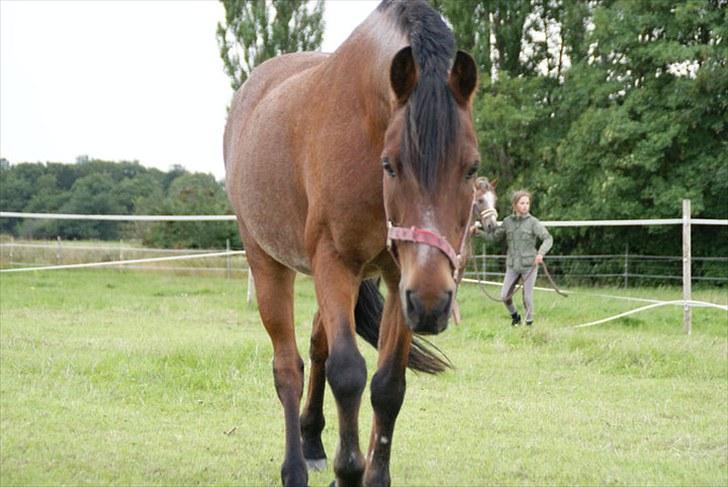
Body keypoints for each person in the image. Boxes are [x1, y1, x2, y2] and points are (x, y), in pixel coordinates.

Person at [483, 190, 552, 326]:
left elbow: (548, 238)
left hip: (529, 266)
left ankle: (529, 323)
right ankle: (515, 316)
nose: (525, 206)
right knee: (504, 296)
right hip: (512, 265)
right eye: (522, 203)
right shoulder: (508, 222)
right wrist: (478, 233)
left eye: (527, 203)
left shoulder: (533, 222)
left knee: (527, 297)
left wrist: (541, 253)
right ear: (515, 205)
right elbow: (494, 237)